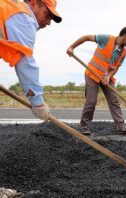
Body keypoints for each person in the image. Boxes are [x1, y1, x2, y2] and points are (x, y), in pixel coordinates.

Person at [0, 0, 61, 197]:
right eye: (48, 15)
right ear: (34, 3)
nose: (49, 22)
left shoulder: (8, 9)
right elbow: (26, 62)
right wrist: (38, 102)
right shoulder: (23, 16)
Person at [67, 27, 126, 135]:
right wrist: (72, 47)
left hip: (107, 78)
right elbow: (86, 37)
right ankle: (84, 127)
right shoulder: (106, 39)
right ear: (125, 36)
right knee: (91, 101)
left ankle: (122, 127)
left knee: (115, 101)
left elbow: (116, 67)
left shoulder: (124, 52)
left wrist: (108, 76)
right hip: (92, 74)